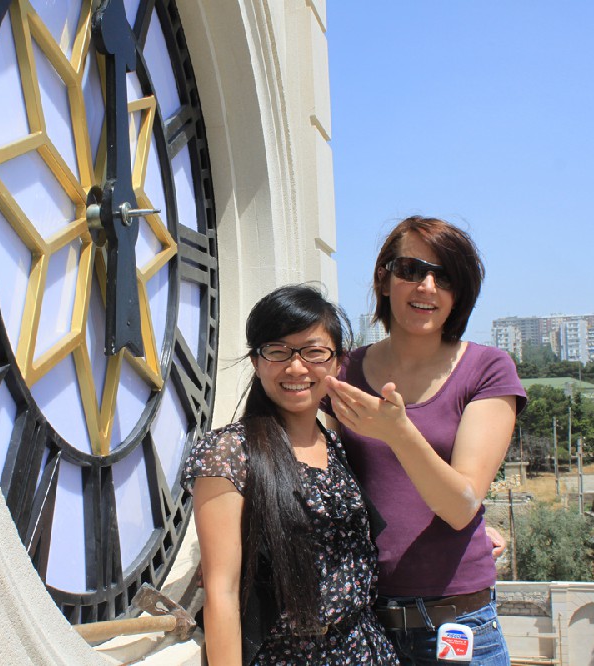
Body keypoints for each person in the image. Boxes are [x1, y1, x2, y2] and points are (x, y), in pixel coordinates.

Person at [323, 216, 527, 665]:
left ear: (461, 293)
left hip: (458, 629)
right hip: (362, 628)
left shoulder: (487, 370)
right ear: (384, 278)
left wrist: (398, 432)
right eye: (412, 270)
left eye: (445, 276)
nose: (427, 287)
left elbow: (460, 507)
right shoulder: (341, 375)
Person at [183, 284, 399, 665]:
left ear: (336, 362)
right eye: (278, 351)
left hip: (365, 649)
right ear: (256, 360)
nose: (296, 367)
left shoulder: (336, 445)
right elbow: (222, 592)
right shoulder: (231, 454)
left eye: (314, 352)